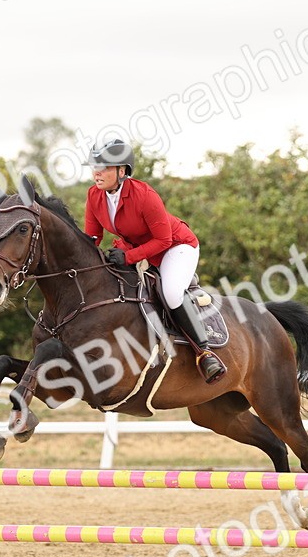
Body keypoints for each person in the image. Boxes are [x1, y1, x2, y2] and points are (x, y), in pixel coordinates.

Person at [83, 139, 226, 384]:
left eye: (104, 167)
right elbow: (92, 237)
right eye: (95, 167)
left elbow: (163, 239)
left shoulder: (144, 195)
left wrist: (128, 257)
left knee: (171, 292)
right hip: (140, 250)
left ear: (122, 170)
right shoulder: (94, 195)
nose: (97, 172)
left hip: (176, 247)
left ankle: (204, 352)